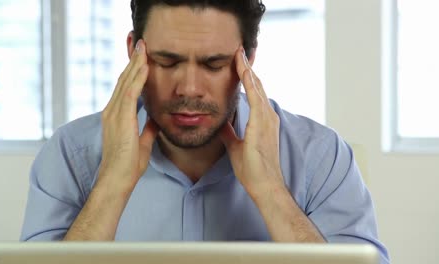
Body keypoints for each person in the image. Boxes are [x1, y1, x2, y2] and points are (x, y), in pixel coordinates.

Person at [20, 0, 389, 263]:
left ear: (249, 59)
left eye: (214, 64)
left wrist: (270, 191)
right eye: (167, 61)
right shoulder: (71, 154)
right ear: (134, 52)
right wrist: (112, 183)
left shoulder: (320, 155)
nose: (189, 88)